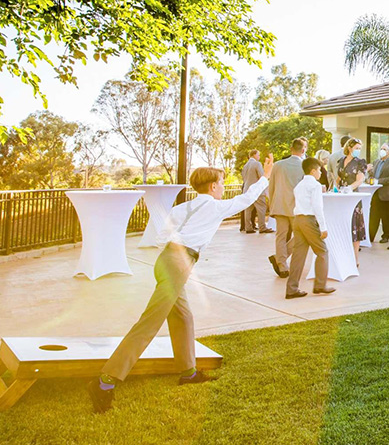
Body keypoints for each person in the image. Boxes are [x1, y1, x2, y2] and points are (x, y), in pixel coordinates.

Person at [89, 156, 274, 413]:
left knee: (183, 317)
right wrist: (265, 176)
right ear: (212, 187)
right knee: (149, 323)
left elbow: (161, 238)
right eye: (221, 183)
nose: (222, 187)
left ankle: (188, 372)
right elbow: (246, 199)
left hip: (167, 261)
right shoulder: (214, 207)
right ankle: (105, 381)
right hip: (178, 264)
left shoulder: (180, 209)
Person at [285, 158, 336, 299]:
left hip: (298, 220)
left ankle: (291, 288)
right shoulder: (315, 186)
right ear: (313, 171)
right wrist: (323, 227)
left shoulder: (299, 186)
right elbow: (318, 207)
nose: (320, 173)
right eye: (319, 170)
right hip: (308, 220)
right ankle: (320, 285)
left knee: (298, 255)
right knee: (322, 251)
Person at [268, 138, 307, 278]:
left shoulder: (277, 165)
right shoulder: (305, 166)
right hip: (297, 207)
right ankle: (281, 258)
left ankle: (281, 263)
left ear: (291, 149)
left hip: (279, 205)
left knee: (280, 235)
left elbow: (271, 186)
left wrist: (271, 204)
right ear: (303, 150)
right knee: (300, 236)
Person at [335, 137, 368, 267]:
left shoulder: (360, 162)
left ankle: (355, 259)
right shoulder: (341, 160)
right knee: (342, 224)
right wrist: (335, 188)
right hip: (340, 195)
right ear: (349, 148)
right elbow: (338, 177)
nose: (358, 151)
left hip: (352, 196)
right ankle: (342, 255)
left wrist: (349, 188)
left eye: (360, 149)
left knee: (354, 225)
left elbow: (360, 179)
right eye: (356, 148)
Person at [369, 143, 389, 243]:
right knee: (373, 217)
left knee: (386, 218)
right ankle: (370, 236)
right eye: (381, 148)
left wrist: (378, 181)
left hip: (386, 195)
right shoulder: (376, 162)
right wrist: (370, 179)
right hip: (375, 194)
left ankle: (386, 236)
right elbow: (372, 174)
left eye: (384, 149)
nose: (382, 150)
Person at [241, 149, 270, 234]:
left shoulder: (245, 166)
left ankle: (248, 228)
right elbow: (262, 177)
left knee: (248, 209)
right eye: (258, 155)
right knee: (262, 208)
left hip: (246, 190)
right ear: (254, 155)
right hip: (256, 191)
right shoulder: (257, 164)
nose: (259, 157)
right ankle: (262, 227)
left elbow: (244, 178)